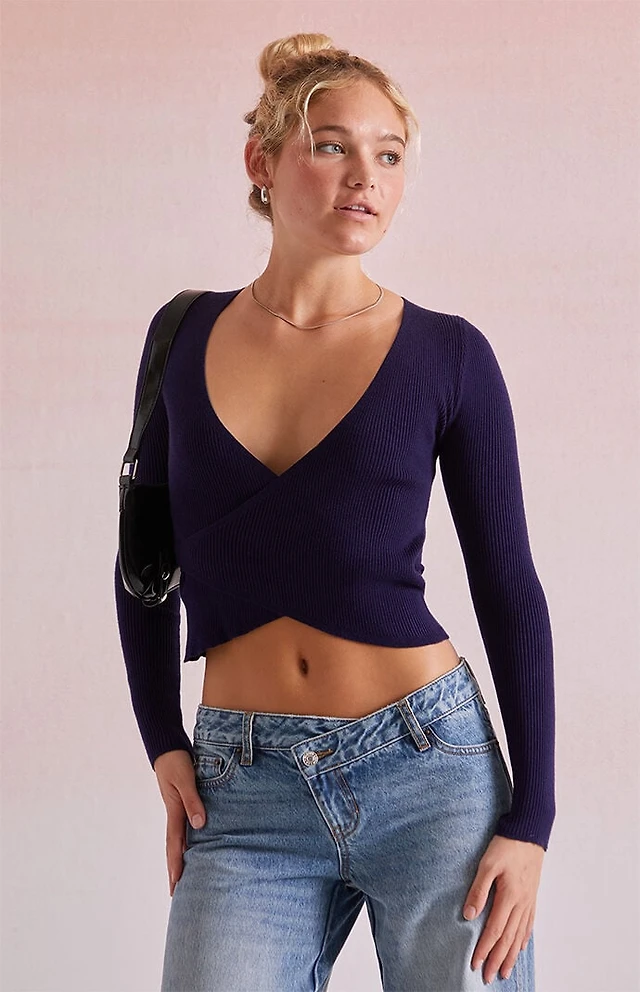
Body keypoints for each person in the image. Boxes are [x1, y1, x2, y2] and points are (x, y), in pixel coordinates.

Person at [114, 33, 555, 992]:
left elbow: (510, 588)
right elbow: (144, 563)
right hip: (244, 790)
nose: (367, 177)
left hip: (429, 772)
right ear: (261, 162)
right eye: (331, 146)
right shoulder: (181, 334)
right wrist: (162, 738)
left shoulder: (449, 354)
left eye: (389, 155)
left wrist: (533, 823)